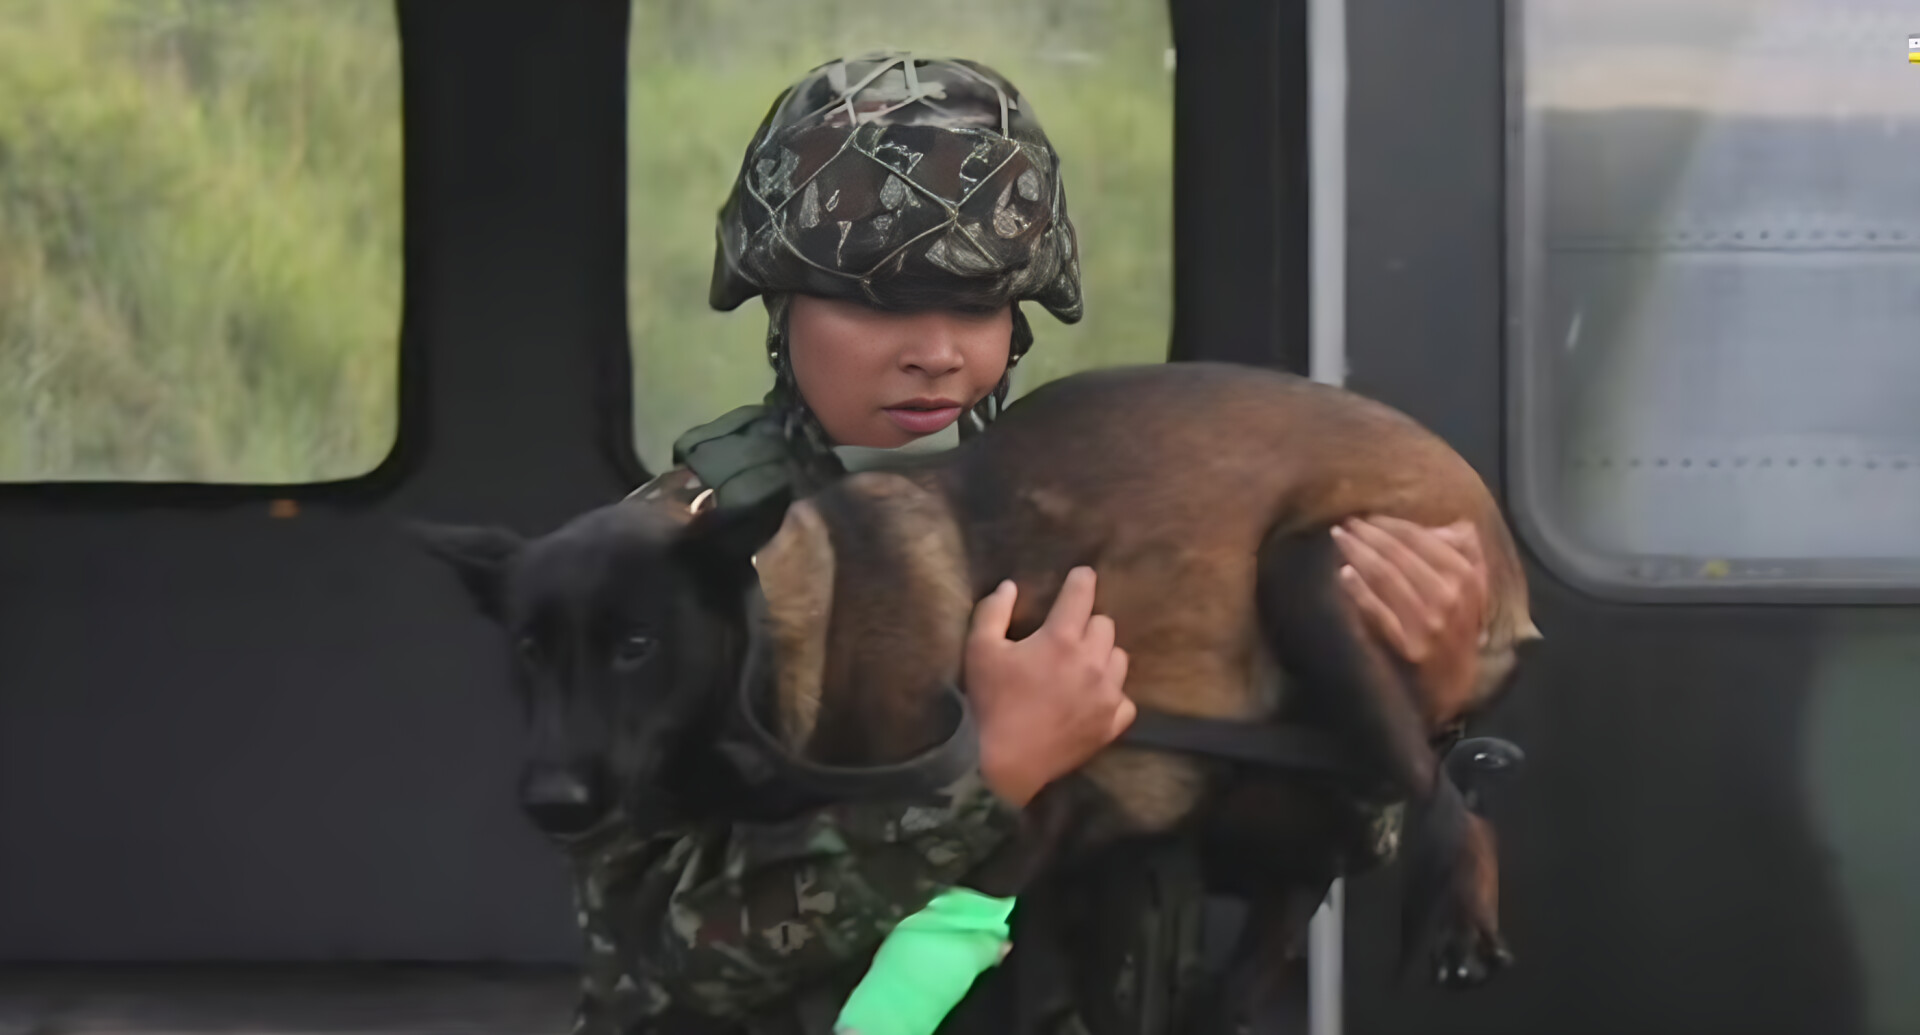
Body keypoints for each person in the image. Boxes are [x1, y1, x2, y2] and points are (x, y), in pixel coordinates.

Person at [569, 52, 1492, 1035]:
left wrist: (1411, 705)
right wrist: (988, 780)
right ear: (780, 304)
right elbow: (653, 956)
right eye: (878, 302)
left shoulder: (1100, 521)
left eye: (975, 305)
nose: (936, 350)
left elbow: (1282, 846)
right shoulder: (673, 562)